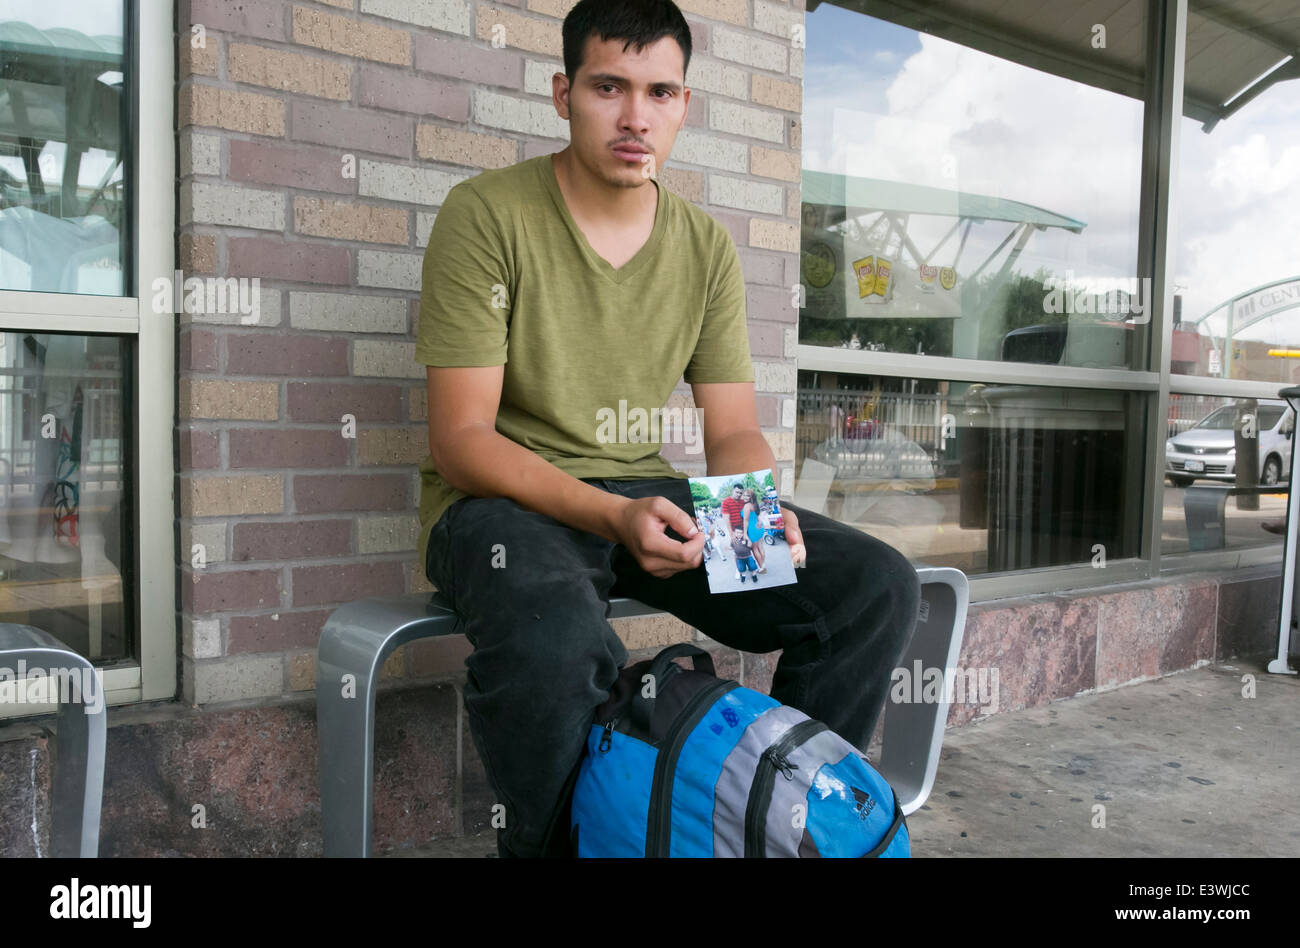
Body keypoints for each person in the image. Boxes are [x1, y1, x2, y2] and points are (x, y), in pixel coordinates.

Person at [417, 0, 918, 858]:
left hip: (640, 491)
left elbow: (730, 428)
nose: (635, 116)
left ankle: (768, 824)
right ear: (563, 93)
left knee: (871, 587)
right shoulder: (486, 214)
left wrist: (752, 511)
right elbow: (461, 438)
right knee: (552, 631)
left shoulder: (704, 247)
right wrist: (609, 518)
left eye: (660, 92)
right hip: (504, 502)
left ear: (684, 105)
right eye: (609, 86)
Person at [741, 487, 767, 573]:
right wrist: (760, 522)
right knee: (760, 547)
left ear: (751, 497)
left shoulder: (747, 506)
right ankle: (763, 564)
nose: (744, 497)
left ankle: (762, 568)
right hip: (759, 528)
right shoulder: (755, 504)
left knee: (755, 549)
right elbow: (758, 515)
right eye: (744, 495)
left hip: (752, 529)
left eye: (747, 496)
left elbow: (746, 520)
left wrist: (745, 534)